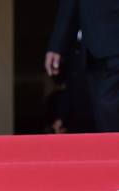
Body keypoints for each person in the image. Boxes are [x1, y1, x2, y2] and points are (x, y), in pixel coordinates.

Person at [45, 0, 119, 132]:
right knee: (100, 116)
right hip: (94, 49)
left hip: (110, 46)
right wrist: (57, 45)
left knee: (106, 109)